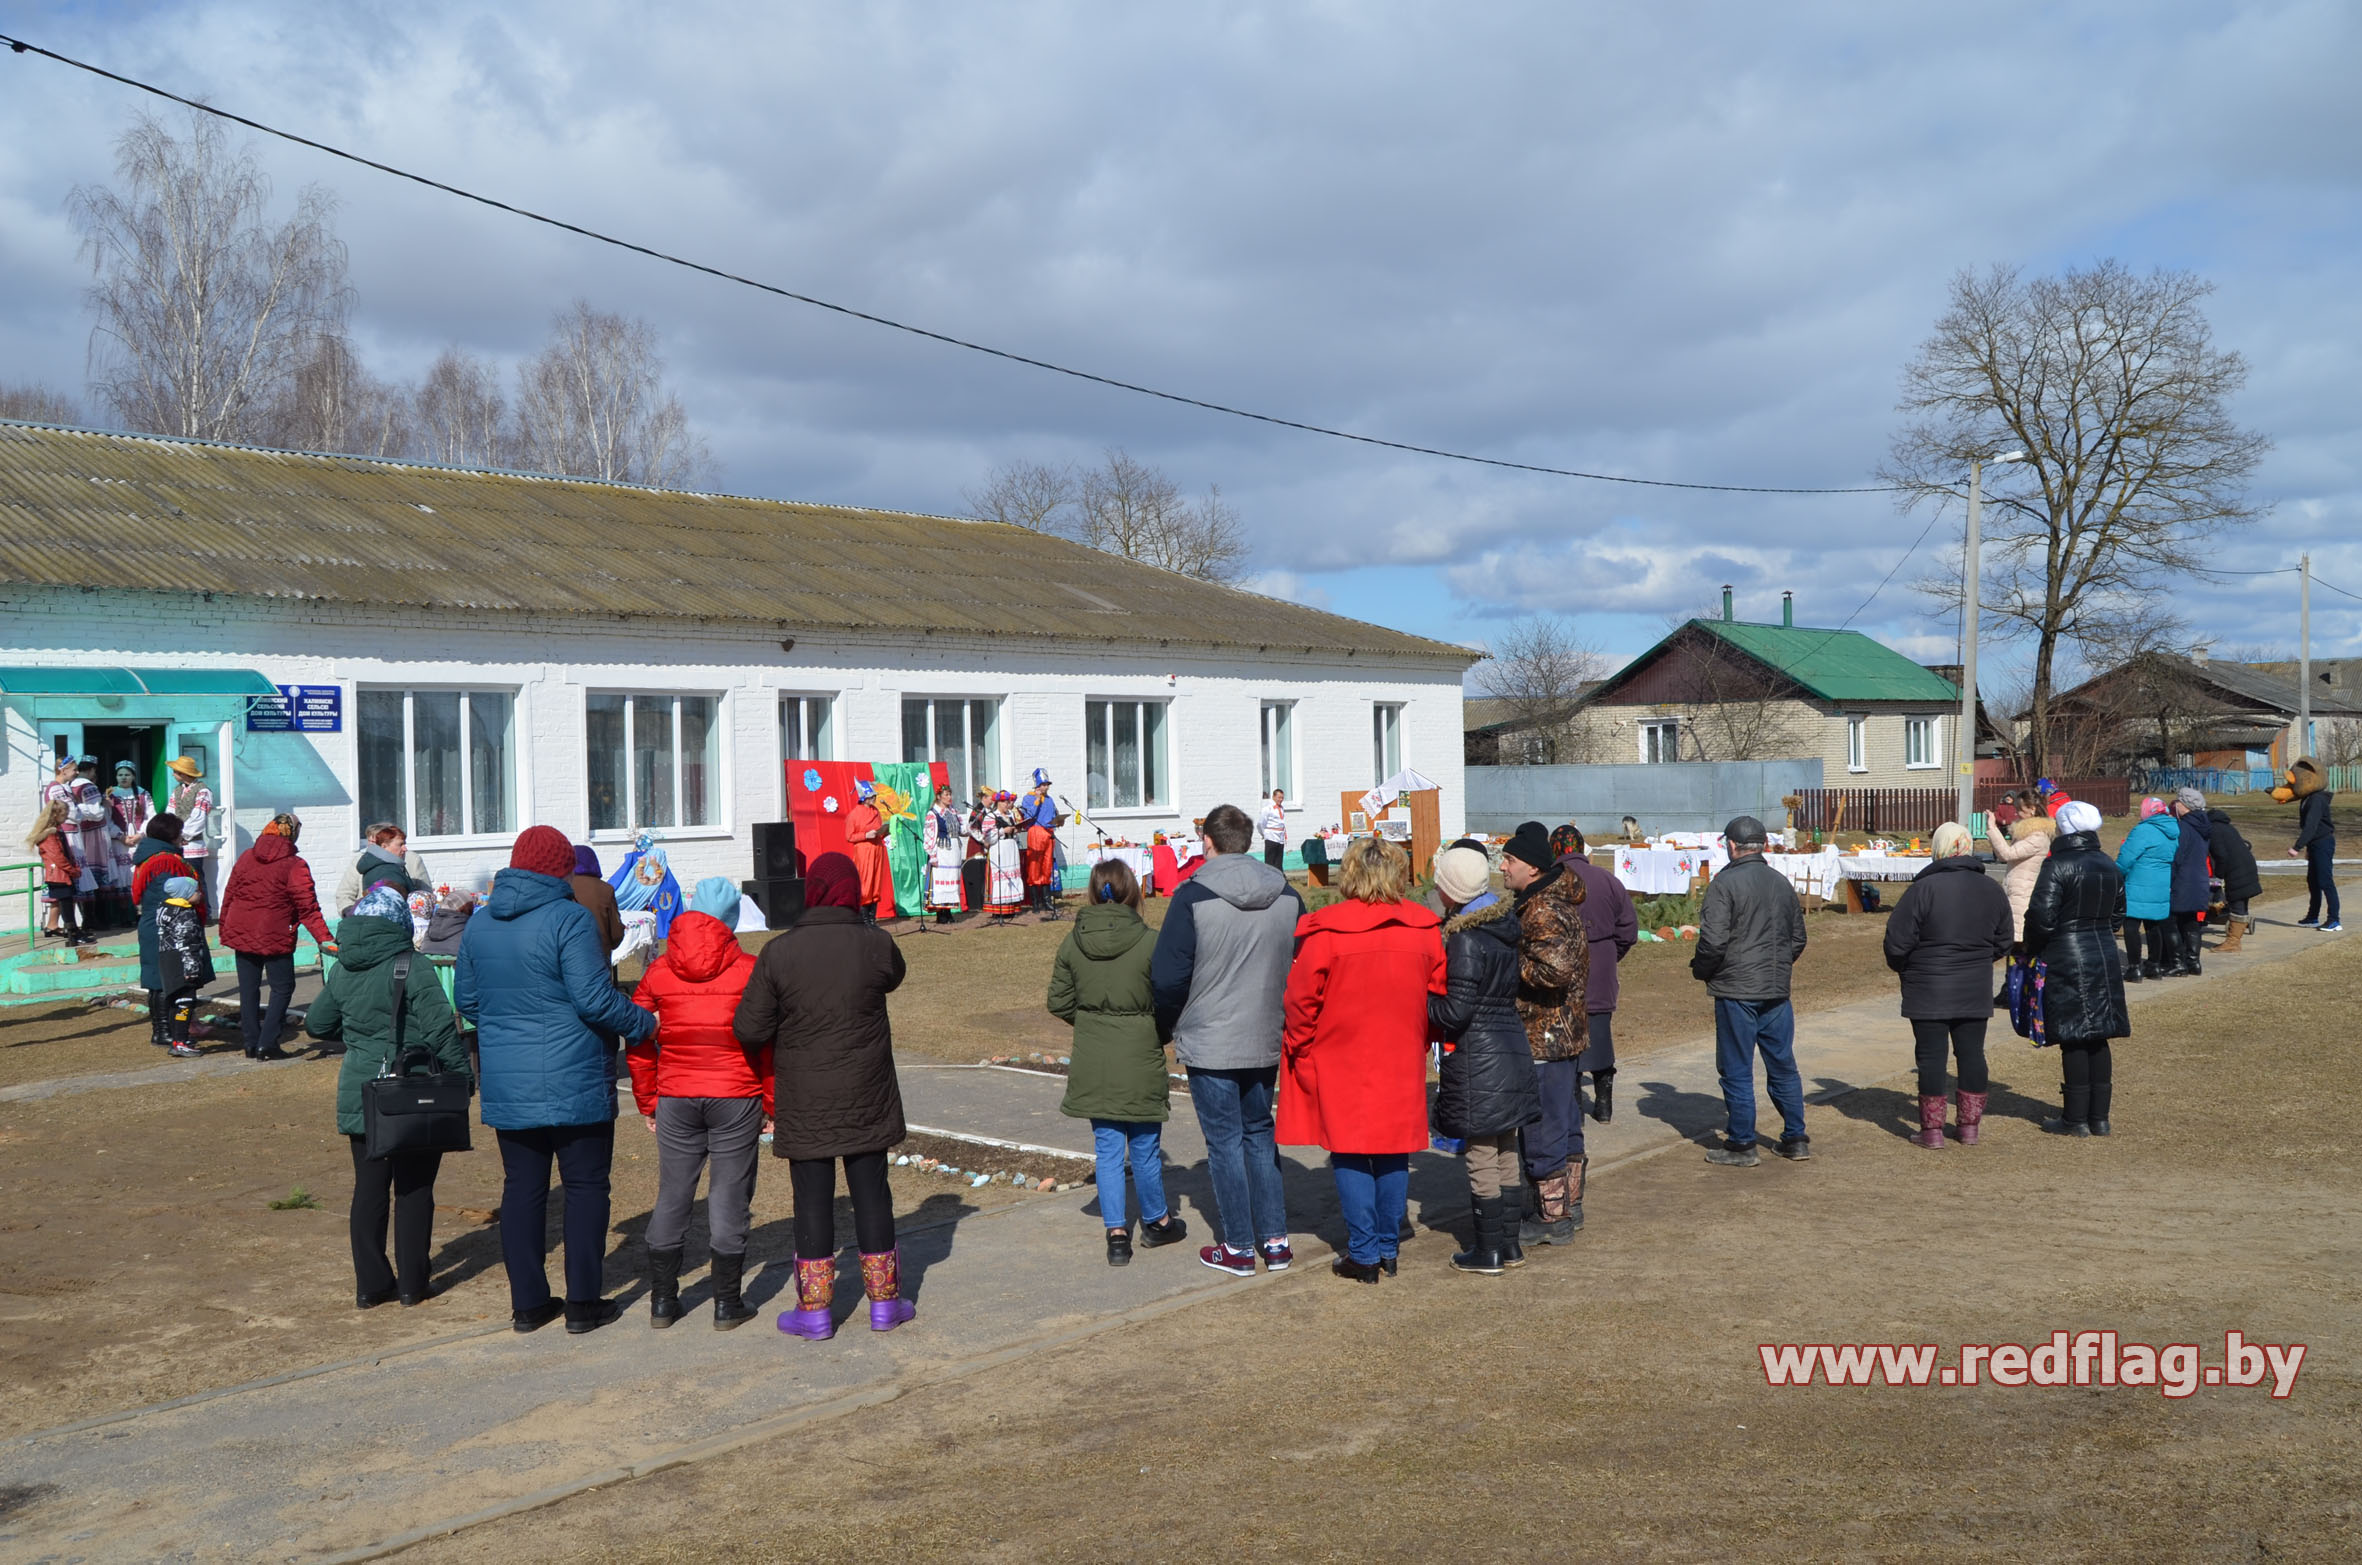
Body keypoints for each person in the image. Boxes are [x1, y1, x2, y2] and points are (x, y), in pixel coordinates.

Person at [456, 825, 659, 1335]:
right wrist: (645, 1024)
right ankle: (583, 1302)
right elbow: (594, 998)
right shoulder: (569, 918)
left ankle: (528, 1303)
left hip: (509, 1079)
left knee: (522, 1189)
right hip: (575, 1077)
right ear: (560, 867)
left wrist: (509, 1024)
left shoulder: (480, 924)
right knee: (586, 1186)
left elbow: (468, 1001)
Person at [734, 851, 913, 1340]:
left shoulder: (779, 952)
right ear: (853, 891)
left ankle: (814, 1312)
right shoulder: (876, 945)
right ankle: (884, 1304)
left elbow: (749, 1028)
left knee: (811, 1200)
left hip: (807, 1095)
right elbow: (894, 977)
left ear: (809, 890)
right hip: (866, 1092)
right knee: (872, 1194)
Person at [1278, 836, 1444, 1283]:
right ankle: (1384, 1248)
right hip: (1399, 1053)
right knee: (1393, 1150)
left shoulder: (1327, 931)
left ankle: (1367, 1251)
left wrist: (1301, 1043)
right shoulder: (1423, 928)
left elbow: (1299, 1000)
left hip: (1341, 1055)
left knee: (1350, 1150)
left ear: (1349, 874)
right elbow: (1440, 994)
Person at [1151, 802, 1305, 1277]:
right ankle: (1274, 1240)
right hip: (1262, 1031)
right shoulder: (1288, 895)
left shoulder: (1191, 896)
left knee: (1225, 1142)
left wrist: (1170, 1024)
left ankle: (1239, 1246)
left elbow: (1167, 976)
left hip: (1213, 1035)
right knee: (1258, 1134)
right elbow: (1303, 961)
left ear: (1208, 842)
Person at [307, 883, 472, 1308]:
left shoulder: (343, 966)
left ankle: (371, 1285)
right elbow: (439, 1028)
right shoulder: (411, 964)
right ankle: (412, 1284)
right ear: (399, 924)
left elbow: (317, 1024)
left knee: (369, 1188)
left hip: (362, 1090)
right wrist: (461, 1077)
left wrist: (361, 1038)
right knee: (415, 1189)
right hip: (412, 1092)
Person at [627, 876, 765, 1331]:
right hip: (735, 1093)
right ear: (730, 921)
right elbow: (769, 1042)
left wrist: (648, 1099)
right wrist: (771, 1101)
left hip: (677, 1095)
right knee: (729, 1196)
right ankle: (727, 1304)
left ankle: (663, 1303)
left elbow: (640, 1037)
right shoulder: (749, 969)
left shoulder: (659, 970)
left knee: (673, 1195)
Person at [1049, 859, 1186, 1266]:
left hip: (1095, 1056)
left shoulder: (1073, 942)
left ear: (1093, 891)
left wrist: (1093, 1021)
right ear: (1133, 891)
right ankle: (1157, 1221)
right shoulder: (1150, 941)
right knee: (1144, 1148)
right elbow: (1170, 998)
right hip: (1140, 1053)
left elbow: (1058, 1000)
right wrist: (1151, 1030)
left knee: (1107, 1149)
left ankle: (1117, 1234)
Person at [1428, 844, 1540, 1275]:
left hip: (1479, 1055)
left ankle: (1487, 1250)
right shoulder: (1502, 926)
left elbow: (1457, 1010)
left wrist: (1419, 1005)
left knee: (1480, 1154)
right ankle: (1509, 1245)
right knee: (1505, 1146)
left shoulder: (1465, 937)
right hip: (1509, 1046)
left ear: (1452, 889)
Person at [1883, 822, 2014, 1149]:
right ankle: (1969, 1127)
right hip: (1973, 986)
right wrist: (1979, 960)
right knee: (1972, 1054)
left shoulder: (1922, 889)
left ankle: (1932, 1131)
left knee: (1931, 1058)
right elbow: (2005, 940)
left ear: (1938, 849)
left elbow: (1896, 943)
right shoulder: (1992, 888)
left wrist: (1909, 968)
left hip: (1928, 988)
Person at [1691, 815, 1810, 1167]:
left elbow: (1713, 942)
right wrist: (1777, 967)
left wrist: (1702, 970)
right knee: (1783, 1065)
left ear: (1731, 845)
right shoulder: (1780, 883)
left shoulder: (1723, 885)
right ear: (1763, 845)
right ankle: (1795, 1138)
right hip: (1774, 989)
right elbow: (1798, 938)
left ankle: (1742, 1144)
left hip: (1738, 990)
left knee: (1737, 1068)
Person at [1497, 822, 1589, 1242]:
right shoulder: (1544, 899)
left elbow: (1556, 969)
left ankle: (1552, 1218)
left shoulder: (1542, 909)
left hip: (1546, 1034)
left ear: (1531, 868)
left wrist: (1506, 967)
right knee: (1563, 1121)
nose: (1503, 867)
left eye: (1509, 860)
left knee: (1545, 1127)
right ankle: (1568, 1205)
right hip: (1561, 1033)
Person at [2024, 801, 2130, 1136]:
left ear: (2064, 828)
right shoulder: (2109, 864)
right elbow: (2118, 913)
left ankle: (2075, 1119)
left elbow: (2041, 916)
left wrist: (2033, 948)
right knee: (2098, 1036)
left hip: (2067, 953)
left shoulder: (2057, 866)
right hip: (2103, 952)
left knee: (2074, 1035)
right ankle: (2098, 1117)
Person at [217, 812, 336, 1060]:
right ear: (292, 833)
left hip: (242, 930)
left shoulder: (247, 857)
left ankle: (250, 1042)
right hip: (274, 933)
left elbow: (229, 895)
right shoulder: (295, 865)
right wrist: (325, 939)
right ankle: (268, 1043)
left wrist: (224, 929)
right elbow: (308, 908)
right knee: (282, 988)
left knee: (248, 990)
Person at [1551, 823, 1636, 1124]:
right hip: (1601, 969)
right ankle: (1603, 1106)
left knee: (1566, 1039)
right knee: (1599, 1034)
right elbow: (1628, 929)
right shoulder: (1608, 880)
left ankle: (1574, 1109)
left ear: (1556, 850)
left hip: (1563, 970)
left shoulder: (1552, 881)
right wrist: (1610, 957)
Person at [130, 813, 193, 1049]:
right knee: (162, 979)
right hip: (164, 924)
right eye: (179, 832)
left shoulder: (147, 857)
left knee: (155, 978)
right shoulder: (165, 861)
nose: (181, 837)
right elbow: (175, 891)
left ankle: (162, 1029)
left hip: (151, 922)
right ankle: (165, 1030)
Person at [39, 755, 107, 932]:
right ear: (63, 770)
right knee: (66, 881)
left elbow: (75, 811)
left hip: (72, 834)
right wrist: (86, 810)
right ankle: (69, 926)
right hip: (67, 836)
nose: (77, 772)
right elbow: (73, 814)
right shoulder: (57, 789)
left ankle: (55, 925)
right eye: (74, 769)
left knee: (67, 882)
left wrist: (79, 809)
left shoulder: (64, 788)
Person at [2114, 798, 2179, 982]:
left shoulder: (2142, 830)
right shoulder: (2172, 831)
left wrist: (2116, 874)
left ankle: (2134, 967)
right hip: (2160, 883)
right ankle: (2154, 966)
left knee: (2132, 925)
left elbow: (2126, 859)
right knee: (2154, 925)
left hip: (2138, 882)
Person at [155, 875, 213, 1058]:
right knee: (185, 1002)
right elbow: (187, 942)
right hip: (182, 961)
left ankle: (177, 1038)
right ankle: (180, 1041)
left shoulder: (165, 908)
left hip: (167, 959)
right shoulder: (185, 913)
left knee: (174, 1001)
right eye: (196, 891)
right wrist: (192, 968)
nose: (200, 894)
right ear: (185, 893)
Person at [25, 801, 92, 946]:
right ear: (55, 815)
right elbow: (58, 856)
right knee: (66, 905)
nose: (67, 816)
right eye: (64, 814)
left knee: (66, 904)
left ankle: (73, 933)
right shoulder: (50, 835)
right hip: (59, 875)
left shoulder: (55, 831)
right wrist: (72, 870)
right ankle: (72, 935)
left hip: (60, 873)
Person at [2165, 788, 2215, 977]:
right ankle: (2194, 962)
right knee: (2192, 922)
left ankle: (2178, 963)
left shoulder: (2182, 828)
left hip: (2182, 880)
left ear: (2184, 806)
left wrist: (2169, 879)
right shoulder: (2204, 826)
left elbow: (2177, 856)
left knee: (2172, 922)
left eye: (2178, 802)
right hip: (2199, 878)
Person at [2288, 757, 2340, 932]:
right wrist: (2309, 847)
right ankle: (2312, 917)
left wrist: (2297, 846)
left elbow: (2311, 826)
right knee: (2313, 881)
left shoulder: (2317, 799)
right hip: (2315, 844)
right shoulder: (2307, 798)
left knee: (2325, 881)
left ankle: (2334, 920)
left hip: (2323, 843)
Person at [164, 755, 219, 915]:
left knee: (195, 879)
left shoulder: (203, 790)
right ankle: (184, 910)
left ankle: (204, 911)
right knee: (179, 878)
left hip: (192, 844)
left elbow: (199, 817)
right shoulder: (178, 790)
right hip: (176, 842)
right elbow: (170, 811)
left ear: (183, 773)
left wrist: (183, 835)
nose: (173, 774)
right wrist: (171, 833)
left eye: (175, 771)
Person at [2204, 803, 2262, 953]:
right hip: (2246, 867)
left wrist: (2219, 876)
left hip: (2237, 871)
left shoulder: (2214, 830)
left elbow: (2221, 855)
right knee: (2241, 904)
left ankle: (2233, 942)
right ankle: (2234, 939)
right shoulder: (2226, 827)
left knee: (2237, 904)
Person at [103, 761, 154, 928]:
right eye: (120, 774)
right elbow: (107, 819)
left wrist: (141, 834)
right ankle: (123, 915)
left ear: (133, 776)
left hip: (139, 839)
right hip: (120, 842)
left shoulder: (142, 793)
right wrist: (120, 836)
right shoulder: (111, 795)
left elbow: (150, 816)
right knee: (123, 877)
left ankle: (140, 914)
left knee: (138, 875)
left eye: (127, 774)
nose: (123, 777)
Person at [844, 779, 894, 923]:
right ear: (864, 798)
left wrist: (886, 831)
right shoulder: (854, 814)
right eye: (872, 796)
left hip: (877, 850)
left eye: (875, 796)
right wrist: (865, 835)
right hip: (864, 852)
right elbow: (849, 836)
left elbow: (878, 830)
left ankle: (872, 919)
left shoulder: (876, 811)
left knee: (876, 882)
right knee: (865, 883)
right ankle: (864, 919)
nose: (875, 799)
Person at [1020, 769, 1063, 920]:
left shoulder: (1050, 800)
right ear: (1038, 785)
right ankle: (1035, 902)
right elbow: (1028, 815)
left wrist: (1058, 821)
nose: (1046, 787)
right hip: (1036, 833)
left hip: (1048, 833)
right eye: (1044, 785)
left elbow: (1053, 815)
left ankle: (1046, 900)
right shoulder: (1028, 798)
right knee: (1034, 867)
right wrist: (1037, 800)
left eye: (1047, 785)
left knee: (1046, 867)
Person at [568, 845, 626, 952]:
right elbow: (616, 934)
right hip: (598, 955)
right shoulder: (605, 889)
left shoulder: (561, 887)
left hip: (567, 954)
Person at [926, 784, 968, 923]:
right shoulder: (933, 814)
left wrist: (970, 826)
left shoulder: (953, 812)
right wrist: (932, 855)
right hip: (942, 849)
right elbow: (929, 835)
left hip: (954, 850)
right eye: (946, 795)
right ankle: (941, 913)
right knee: (941, 880)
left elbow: (961, 830)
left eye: (950, 794)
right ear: (939, 796)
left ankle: (948, 911)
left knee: (952, 879)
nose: (950, 798)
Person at [983, 791, 1026, 922]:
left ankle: (1010, 907)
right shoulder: (991, 817)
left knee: (1012, 876)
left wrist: (1015, 831)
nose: (1007, 804)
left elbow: (1014, 832)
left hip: (1011, 847)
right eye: (1005, 802)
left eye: (1008, 802)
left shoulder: (1011, 815)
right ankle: (999, 909)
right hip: (999, 848)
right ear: (998, 803)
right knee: (1001, 878)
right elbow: (987, 836)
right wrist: (1002, 831)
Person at [1259, 789, 1289, 871]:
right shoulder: (1267, 809)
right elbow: (1261, 823)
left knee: (1279, 861)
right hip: (1271, 837)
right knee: (1270, 860)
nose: (1281, 799)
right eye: (1279, 797)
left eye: (1282, 798)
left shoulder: (1281, 808)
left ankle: (1279, 878)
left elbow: (1281, 823)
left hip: (1280, 838)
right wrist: (1264, 834)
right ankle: (1269, 879)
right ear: (1273, 797)